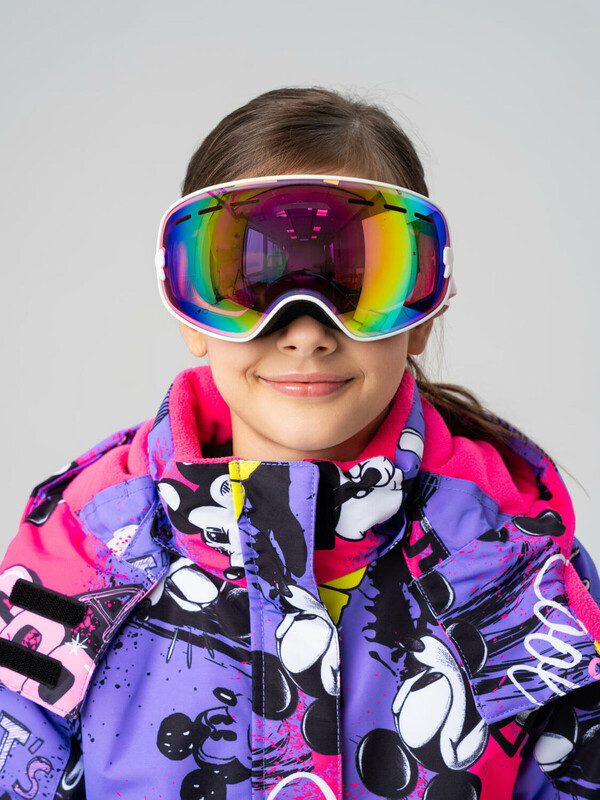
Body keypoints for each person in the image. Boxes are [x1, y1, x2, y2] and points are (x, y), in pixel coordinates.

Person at [0, 86, 598, 800]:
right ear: (191, 312)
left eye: (357, 282)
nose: (307, 330)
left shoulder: (510, 565)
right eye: (252, 280)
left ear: (424, 312)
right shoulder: (88, 553)